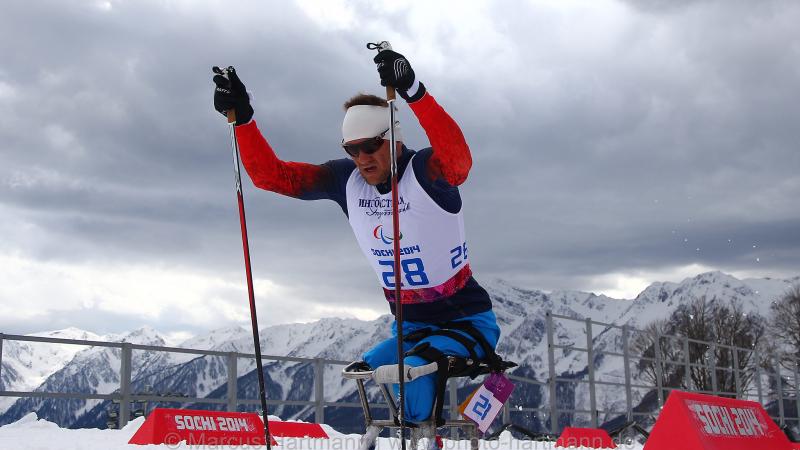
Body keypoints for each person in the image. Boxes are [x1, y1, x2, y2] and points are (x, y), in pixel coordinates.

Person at [212, 49, 501, 424]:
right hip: (409, 328)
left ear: (393, 137)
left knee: (408, 374)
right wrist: (244, 120)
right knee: (364, 372)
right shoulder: (346, 181)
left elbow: (459, 160)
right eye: (352, 149)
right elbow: (271, 176)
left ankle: (423, 437)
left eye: (370, 146)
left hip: (466, 322)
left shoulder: (426, 172)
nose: (362, 157)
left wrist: (414, 90)